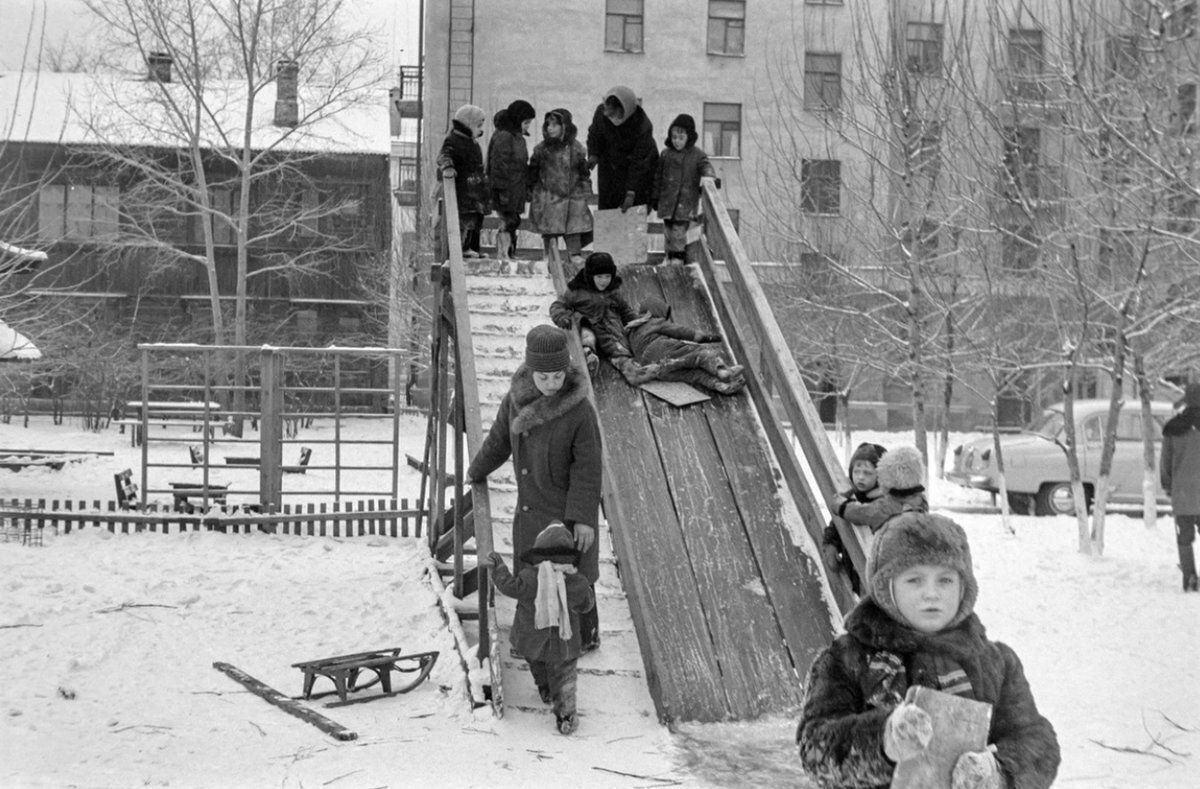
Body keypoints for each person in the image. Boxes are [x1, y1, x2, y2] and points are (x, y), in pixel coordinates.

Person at [796, 511, 1061, 789]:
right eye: (915, 580)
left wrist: (998, 771)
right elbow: (815, 749)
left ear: (964, 588)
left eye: (945, 580)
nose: (931, 593)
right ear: (887, 588)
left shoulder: (994, 663)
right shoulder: (847, 658)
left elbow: (1036, 742)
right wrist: (884, 741)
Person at [467, 325, 603, 651]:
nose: (552, 383)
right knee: (531, 576)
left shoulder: (579, 410)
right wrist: (476, 471)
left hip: (567, 512)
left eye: (558, 376)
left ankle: (585, 636)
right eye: (544, 377)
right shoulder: (514, 402)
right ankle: (531, 641)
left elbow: (588, 467)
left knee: (573, 577)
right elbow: (499, 441)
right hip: (531, 510)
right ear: (530, 371)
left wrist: (583, 518)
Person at [489, 523, 596, 735]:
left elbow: (509, 586)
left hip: (532, 639)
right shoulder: (576, 581)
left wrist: (499, 568)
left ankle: (545, 687)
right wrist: (585, 595)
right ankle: (566, 714)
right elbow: (586, 605)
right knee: (565, 678)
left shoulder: (530, 577)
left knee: (536, 663)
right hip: (564, 643)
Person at [549, 252, 657, 385]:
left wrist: (637, 322)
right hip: (590, 328)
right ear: (590, 276)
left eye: (607, 276)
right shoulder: (577, 290)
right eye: (599, 277)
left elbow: (625, 310)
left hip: (610, 331)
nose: (604, 281)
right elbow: (558, 305)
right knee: (586, 332)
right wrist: (562, 316)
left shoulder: (613, 290)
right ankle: (588, 356)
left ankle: (632, 372)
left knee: (618, 350)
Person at [623, 295, 744, 395]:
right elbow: (682, 332)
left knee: (694, 375)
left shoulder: (632, 332)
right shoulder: (654, 321)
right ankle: (722, 370)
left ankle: (720, 385)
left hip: (652, 367)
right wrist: (708, 337)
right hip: (661, 348)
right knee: (699, 354)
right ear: (655, 311)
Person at [527, 108, 595, 266]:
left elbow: (583, 172)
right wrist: (531, 189)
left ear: (564, 126)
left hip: (573, 195)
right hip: (548, 195)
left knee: (575, 227)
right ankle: (550, 254)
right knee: (550, 228)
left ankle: (574, 254)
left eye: (554, 125)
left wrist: (585, 190)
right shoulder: (542, 149)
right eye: (548, 125)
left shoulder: (576, 149)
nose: (550, 128)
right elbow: (533, 171)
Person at [820, 442, 887, 595]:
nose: (860, 477)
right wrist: (830, 545)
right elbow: (835, 527)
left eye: (867, 473)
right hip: (854, 571)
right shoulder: (847, 500)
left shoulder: (885, 503)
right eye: (857, 472)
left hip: (878, 574)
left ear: (880, 476)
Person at [650, 114, 717, 263]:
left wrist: (709, 176)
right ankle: (669, 257)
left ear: (689, 137)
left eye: (681, 138)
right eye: (674, 137)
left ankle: (677, 260)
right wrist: (655, 197)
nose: (677, 141)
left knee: (679, 233)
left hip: (685, 203)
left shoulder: (697, 155)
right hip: (668, 203)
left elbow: (705, 166)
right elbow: (658, 177)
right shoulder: (666, 154)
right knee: (668, 232)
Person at [586, 86, 659, 212]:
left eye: (617, 116)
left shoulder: (642, 126)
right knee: (608, 211)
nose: (613, 120)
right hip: (609, 168)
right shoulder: (601, 115)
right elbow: (595, 135)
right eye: (610, 117)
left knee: (631, 213)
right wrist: (593, 154)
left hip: (634, 172)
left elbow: (640, 163)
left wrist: (631, 191)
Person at [833, 444, 929, 531]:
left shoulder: (892, 504)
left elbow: (865, 513)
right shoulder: (919, 500)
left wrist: (842, 506)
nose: (861, 477)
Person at [1161, 382, 1200, 592]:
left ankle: (1190, 577)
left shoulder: (1174, 428)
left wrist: (1168, 485)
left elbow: (1165, 461)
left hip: (1183, 492)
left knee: (1184, 538)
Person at [487, 99, 537, 266]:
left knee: (513, 221)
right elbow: (499, 164)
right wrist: (501, 189)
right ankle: (503, 253)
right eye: (526, 122)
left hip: (515, 188)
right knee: (508, 221)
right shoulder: (505, 136)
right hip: (506, 189)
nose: (527, 126)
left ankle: (509, 252)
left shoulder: (517, 138)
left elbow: (520, 164)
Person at [437, 104, 489, 258]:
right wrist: (448, 167)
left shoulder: (473, 143)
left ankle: (473, 248)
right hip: (463, 191)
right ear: (469, 124)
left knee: (475, 221)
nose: (481, 130)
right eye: (478, 126)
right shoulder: (453, 140)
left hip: (475, 191)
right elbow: (444, 155)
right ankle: (461, 250)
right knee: (464, 221)